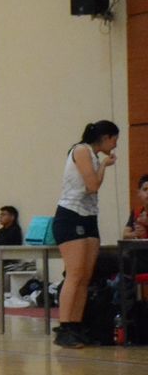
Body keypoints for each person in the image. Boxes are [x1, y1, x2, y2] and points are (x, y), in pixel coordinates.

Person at [52, 120, 118, 348]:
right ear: (107, 137)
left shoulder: (93, 155)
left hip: (89, 217)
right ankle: (64, 327)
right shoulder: (81, 150)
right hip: (70, 216)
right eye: (115, 139)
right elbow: (92, 185)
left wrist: (101, 164)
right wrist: (103, 166)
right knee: (74, 273)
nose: (115, 144)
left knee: (85, 277)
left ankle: (77, 325)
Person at [122, 174, 148, 239]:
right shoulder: (136, 212)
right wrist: (135, 233)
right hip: (140, 248)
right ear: (139, 193)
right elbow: (125, 235)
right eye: (145, 189)